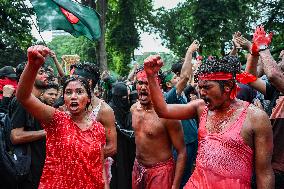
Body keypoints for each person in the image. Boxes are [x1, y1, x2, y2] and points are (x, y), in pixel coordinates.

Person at [144, 54, 274, 189]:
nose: (202, 92)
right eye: (199, 87)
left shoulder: (255, 118)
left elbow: (264, 173)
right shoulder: (201, 108)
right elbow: (163, 110)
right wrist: (151, 76)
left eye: (207, 87)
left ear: (228, 86)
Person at [15, 45, 108, 189]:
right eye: (69, 92)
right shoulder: (56, 120)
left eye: (79, 91)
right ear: (63, 98)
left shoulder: (98, 129)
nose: (74, 96)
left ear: (88, 98)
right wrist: (32, 66)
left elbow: (100, 167)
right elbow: (23, 97)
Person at [131, 66, 187, 189]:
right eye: (140, 83)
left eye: (148, 83)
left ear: (158, 87)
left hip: (161, 172)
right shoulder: (134, 109)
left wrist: (175, 185)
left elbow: (182, 151)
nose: (143, 87)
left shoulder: (167, 116)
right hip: (138, 168)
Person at [164, 40, 199, 188]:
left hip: (191, 141)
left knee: (189, 176)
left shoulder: (180, 94)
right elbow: (185, 78)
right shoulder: (170, 97)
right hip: (183, 144)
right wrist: (189, 52)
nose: (178, 78)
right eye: (174, 78)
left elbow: (188, 77)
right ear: (168, 84)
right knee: (182, 180)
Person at [10, 62, 49, 189]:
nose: (46, 75)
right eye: (41, 72)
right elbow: (16, 136)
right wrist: (47, 132)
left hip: (39, 168)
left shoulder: (38, 101)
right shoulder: (21, 102)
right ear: (28, 75)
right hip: (29, 172)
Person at [109, 82, 136, 189]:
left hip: (127, 148)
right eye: (123, 97)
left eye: (127, 97)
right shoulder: (110, 110)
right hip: (117, 149)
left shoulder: (126, 108)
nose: (126, 100)